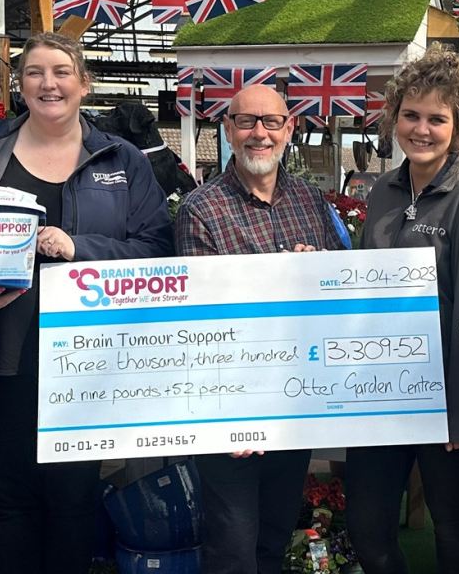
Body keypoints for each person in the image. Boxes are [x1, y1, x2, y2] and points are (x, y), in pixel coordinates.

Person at [0, 32, 173, 574]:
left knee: (74, 499)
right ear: (20, 85)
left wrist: (77, 247)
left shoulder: (120, 158)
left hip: (91, 363)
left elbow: (156, 247)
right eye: (34, 72)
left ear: (84, 82)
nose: (48, 83)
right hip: (1, 357)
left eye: (61, 71)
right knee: (9, 498)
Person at [175, 84, 346, 574]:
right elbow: (201, 318)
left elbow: (340, 292)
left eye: (271, 122)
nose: (259, 134)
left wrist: (319, 272)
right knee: (232, 549)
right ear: (228, 130)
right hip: (231, 411)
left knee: (273, 540)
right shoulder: (201, 208)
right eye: (246, 122)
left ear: (289, 129)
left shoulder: (311, 202)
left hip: (294, 404)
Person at [343, 43, 459, 574]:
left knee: (453, 525)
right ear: (393, 118)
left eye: (437, 118)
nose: (422, 128)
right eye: (411, 115)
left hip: (445, 398)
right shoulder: (384, 189)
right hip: (379, 392)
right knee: (366, 527)